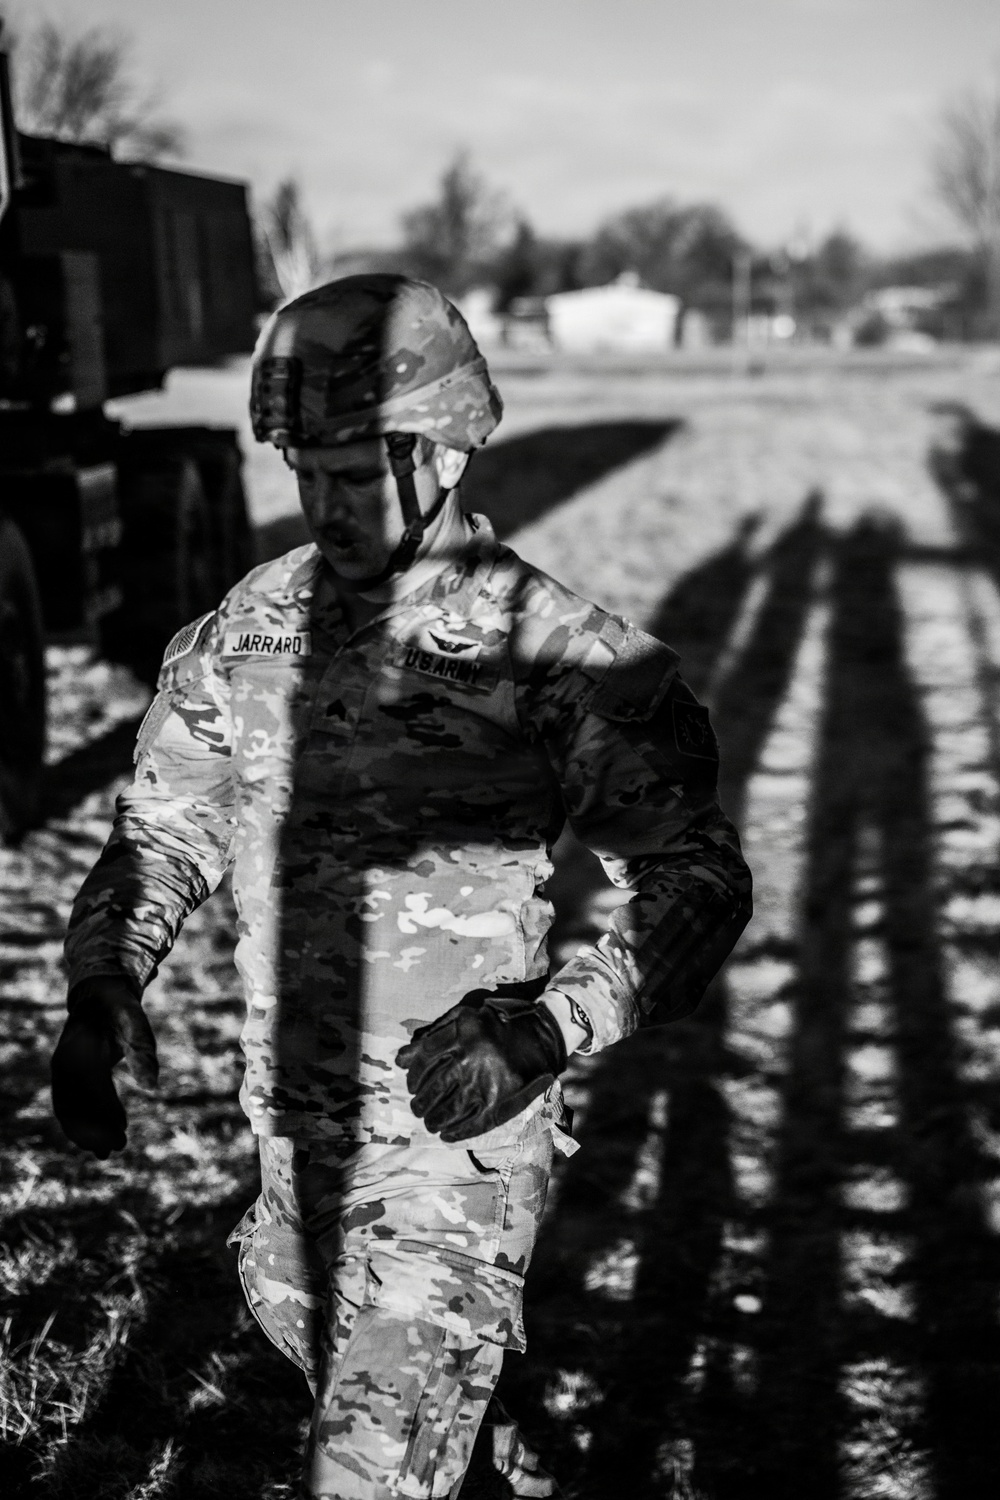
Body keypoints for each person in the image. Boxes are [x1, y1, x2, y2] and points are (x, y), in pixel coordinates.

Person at [51, 275, 752, 1500]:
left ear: (436, 451)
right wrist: (106, 976)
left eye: (351, 469)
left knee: (367, 1473)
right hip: (290, 1144)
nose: (323, 502)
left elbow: (698, 878)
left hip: (448, 1158)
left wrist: (548, 1023)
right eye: (302, 469)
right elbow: (165, 828)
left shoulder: (549, 647)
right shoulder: (254, 625)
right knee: (410, 1448)